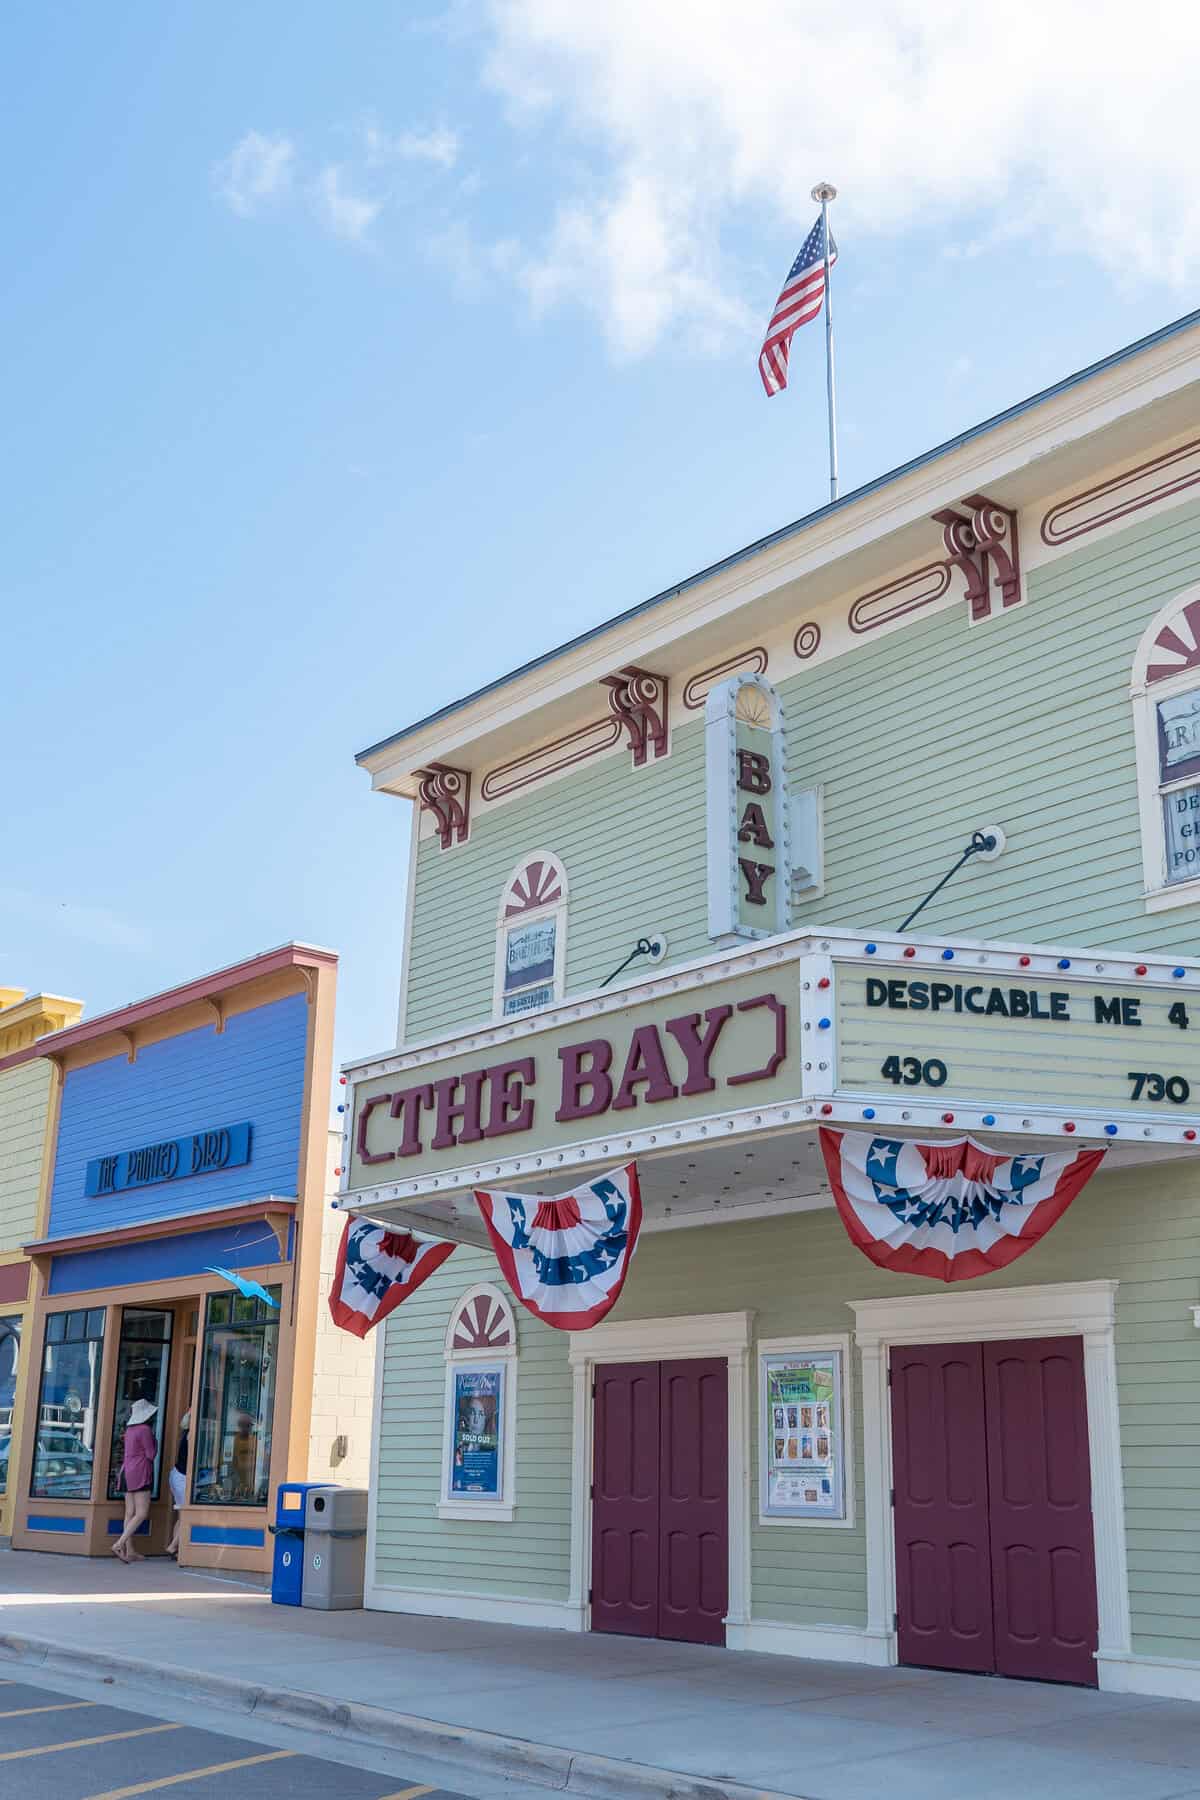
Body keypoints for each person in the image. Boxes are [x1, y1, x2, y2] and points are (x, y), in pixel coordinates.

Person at [113, 1398, 158, 1563]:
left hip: (126, 1472)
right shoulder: (145, 1429)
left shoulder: (130, 1430)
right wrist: (155, 1441)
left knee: (129, 1513)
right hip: (140, 1472)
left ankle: (130, 1550)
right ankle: (120, 1543)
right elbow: (151, 1455)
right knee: (141, 1513)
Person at [165, 1410, 190, 1558]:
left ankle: (177, 1550)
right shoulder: (191, 1435)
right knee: (186, 1515)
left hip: (176, 1474)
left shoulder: (184, 1434)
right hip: (183, 1477)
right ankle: (173, 1546)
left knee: (181, 1515)